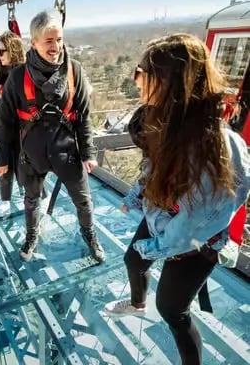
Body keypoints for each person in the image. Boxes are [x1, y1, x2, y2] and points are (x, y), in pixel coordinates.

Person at [103, 33, 250, 365]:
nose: (136, 80)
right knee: (133, 261)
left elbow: (191, 226)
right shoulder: (167, 120)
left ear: (169, 81)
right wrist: (137, 194)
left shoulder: (215, 149)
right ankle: (138, 303)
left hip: (197, 242)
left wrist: (152, 247)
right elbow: (154, 168)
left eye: (143, 72)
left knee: (172, 309)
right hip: (165, 218)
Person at [0, 10, 105, 262]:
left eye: (59, 40)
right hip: (32, 154)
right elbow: (3, 122)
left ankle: (90, 235)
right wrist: (3, 159)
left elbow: (84, 115)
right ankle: (32, 235)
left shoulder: (74, 71)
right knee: (31, 201)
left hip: (66, 152)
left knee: (83, 201)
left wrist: (88, 152)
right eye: (49, 41)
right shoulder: (18, 77)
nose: (56, 47)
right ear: (34, 43)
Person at [0, 31, 26, 204]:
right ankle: (7, 200)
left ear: (13, 51)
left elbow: (2, 122)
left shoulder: (16, 78)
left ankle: (9, 201)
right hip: (17, 135)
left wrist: (2, 159)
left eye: (1, 51)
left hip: (18, 135)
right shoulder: (12, 76)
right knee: (19, 172)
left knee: (22, 173)